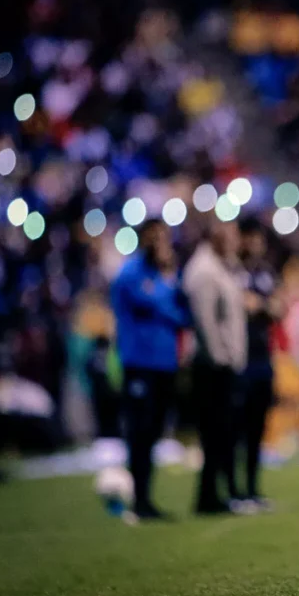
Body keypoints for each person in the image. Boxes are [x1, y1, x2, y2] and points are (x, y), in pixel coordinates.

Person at [109, 219, 189, 520]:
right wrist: (169, 290)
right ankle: (138, 498)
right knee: (139, 432)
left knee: (154, 431)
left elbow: (183, 314)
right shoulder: (131, 274)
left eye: (164, 237)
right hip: (139, 363)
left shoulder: (165, 276)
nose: (160, 243)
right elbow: (162, 306)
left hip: (164, 363)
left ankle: (145, 498)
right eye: (154, 237)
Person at [183, 221, 247, 514]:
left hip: (222, 363)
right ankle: (207, 496)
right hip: (212, 367)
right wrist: (222, 358)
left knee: (223, 433)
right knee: (214, 432)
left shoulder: (221, 267)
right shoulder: (205, 271)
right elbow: (205, 322)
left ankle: (215, 493)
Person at [236, 220, 280, 510]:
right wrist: (262, 306)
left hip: (263, 357)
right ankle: (234, 490)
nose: (256, 244)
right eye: (250, 238)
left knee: (257, 428)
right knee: (237, 427)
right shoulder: (234, 271)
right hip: (241, 358)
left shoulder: (263, 272)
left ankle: (251, 487)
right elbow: (245, 305)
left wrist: (261, 306)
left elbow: (276, 307)